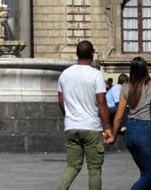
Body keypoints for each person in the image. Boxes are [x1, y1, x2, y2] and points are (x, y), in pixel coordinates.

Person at [57, 40, 113, 190]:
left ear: (76, 54)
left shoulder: (64, 74)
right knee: (94, 169)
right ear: (92, 54)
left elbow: (61, 101)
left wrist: (69, 116)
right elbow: (101, 103)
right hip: (91, 128)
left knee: (72, 166)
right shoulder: (96, 75)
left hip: (71, 126)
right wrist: (108, 128)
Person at [111, 56, 151, 189]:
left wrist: (113, 135)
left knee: (144, 172)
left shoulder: (125, 87)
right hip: (145, 131)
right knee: (148, 175)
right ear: (146, 69)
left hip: (130, 131)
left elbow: (118, 116)